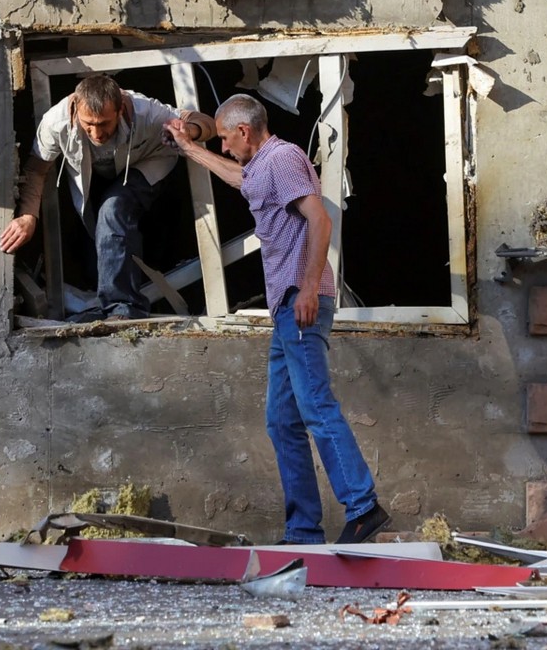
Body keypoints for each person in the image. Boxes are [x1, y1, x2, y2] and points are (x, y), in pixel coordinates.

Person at [167, 93, 389, 545]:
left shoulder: (284, 158)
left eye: (227, 139)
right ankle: (304, 529)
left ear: (245, 132)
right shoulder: (262, 165)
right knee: (281, 420)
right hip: (286, 308)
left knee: (315, 406)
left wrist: (309, 288)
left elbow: (320, 221)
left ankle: (364, 507)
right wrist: (191, 148)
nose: (225, 147)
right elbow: (239, 178)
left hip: (300, 299)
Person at [2, 74, 214, 322]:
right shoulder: (56, 121)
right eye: (88, 124)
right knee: (95, 245)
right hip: (97, 175)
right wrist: (29, 216)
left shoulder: (146, 112)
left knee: (113, 208)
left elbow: (206, 122)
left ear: (120, 109)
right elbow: (37, 169)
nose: (96, 132)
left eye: (104, 123)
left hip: (147, 163)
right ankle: (104, 304)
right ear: (75, 111)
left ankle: (124, 310)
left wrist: (188, 130)